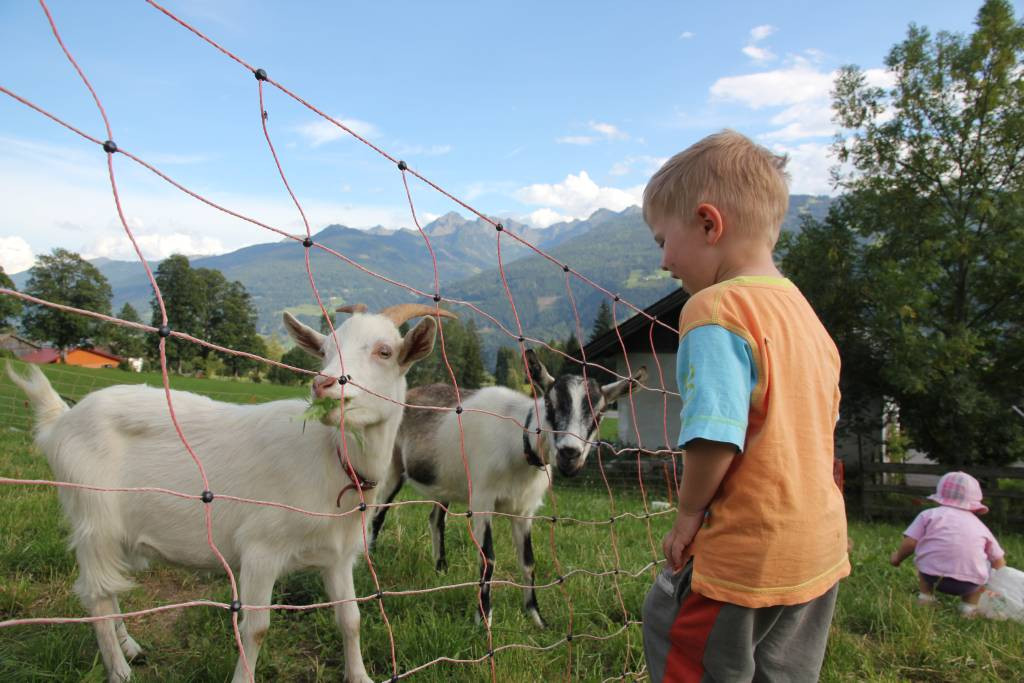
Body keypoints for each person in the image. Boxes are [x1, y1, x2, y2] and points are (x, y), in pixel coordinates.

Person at [640, 130, 849, 682]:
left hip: (744, 554)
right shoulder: (806, 317)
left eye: (663, 240)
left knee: (678, 638)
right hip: (818, 549)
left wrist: (688, 514)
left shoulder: (716, 309)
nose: (664, 261)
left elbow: (715, 433)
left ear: (709, 224)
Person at [890, 471, 1006, 616]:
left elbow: (910, 543)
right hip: (970, 583)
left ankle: (926, 597)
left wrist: (897, 558)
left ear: (939, 497)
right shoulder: (981, 527)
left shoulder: (929, 515)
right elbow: (999, 562)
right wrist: (998, 582)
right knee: (983, 569)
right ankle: (968, 608)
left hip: (932, 576)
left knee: (926, 557)